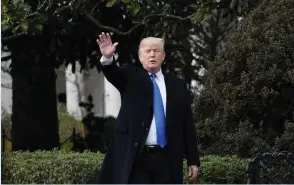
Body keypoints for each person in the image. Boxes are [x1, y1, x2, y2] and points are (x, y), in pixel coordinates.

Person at [96, 32, 200, 184]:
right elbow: (113, 73)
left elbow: (187, 124)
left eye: (156, 51)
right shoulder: (131, 77)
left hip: (167, 158)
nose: (152, 55)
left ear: (163, 56)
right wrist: (107, 59)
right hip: (137, 157)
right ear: (140, 57)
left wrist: (193, 160)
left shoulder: (177, 85)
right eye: (147, 51)